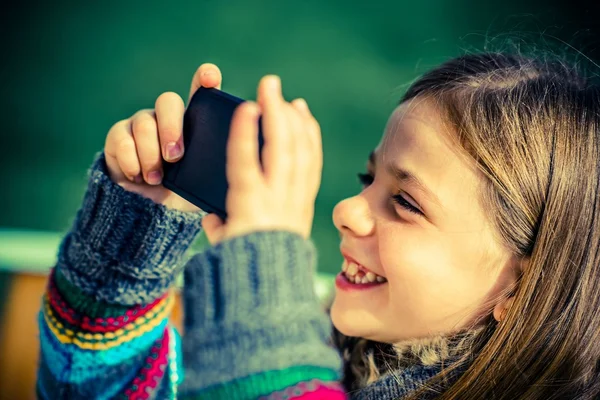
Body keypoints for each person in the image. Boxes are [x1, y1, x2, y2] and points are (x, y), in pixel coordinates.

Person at [36, 48, 600, 399]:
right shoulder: (333, 363)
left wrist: (258, 273)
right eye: (366, 179)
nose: (348, 211)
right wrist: (132, 235)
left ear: (522, 286)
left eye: (405, 203)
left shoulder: (288, 360)